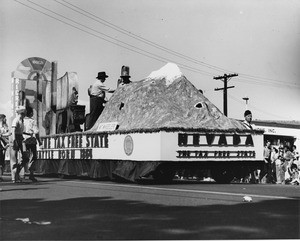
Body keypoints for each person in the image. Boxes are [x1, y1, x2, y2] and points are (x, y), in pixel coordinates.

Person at [23, 107, 42, 182]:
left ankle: (20, 174)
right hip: (31, 140)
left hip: (23, 140)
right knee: (33, 157)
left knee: (23, 157)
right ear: (31, 113)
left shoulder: (22, 120)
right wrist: (39, 142)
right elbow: (36, 132)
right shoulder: (32, 121)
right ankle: (31, 174)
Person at [10, 106, 28, 183]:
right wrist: (14, 140)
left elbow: (20, 130)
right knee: (14, 158)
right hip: (15, 138)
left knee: (25, 157)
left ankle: (17, 172)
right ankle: (14, 177)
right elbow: (13, 131)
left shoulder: (22, 120)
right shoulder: (16, 120)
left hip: (20, 137)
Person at [0, 114, 11, 181]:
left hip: (4, 144)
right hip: (1, 144)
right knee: (1, 160)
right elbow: (1, 136)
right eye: (4, 118)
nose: (5, 120)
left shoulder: (5, 126)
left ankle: (1, 175)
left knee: (2, 160)